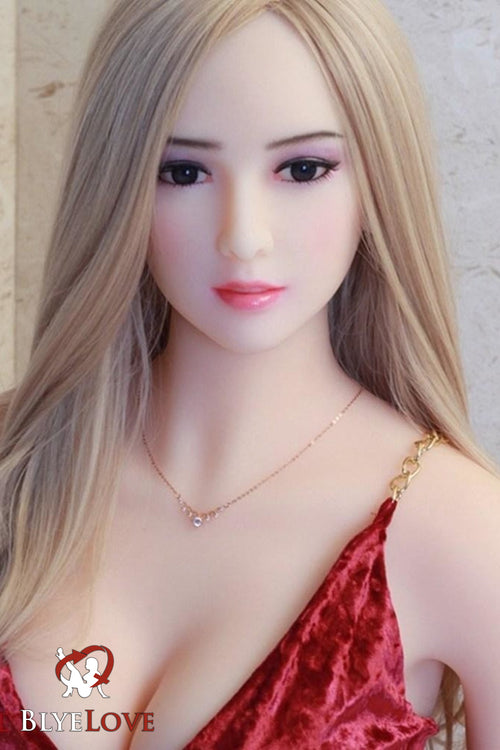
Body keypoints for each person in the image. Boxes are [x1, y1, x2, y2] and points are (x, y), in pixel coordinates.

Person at [0, 0, 499, 748]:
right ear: (118, 185)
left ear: (378, 183)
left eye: (303, 169)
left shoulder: (461, 533)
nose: (243, 237)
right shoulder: (15, 462)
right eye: (183, 171)